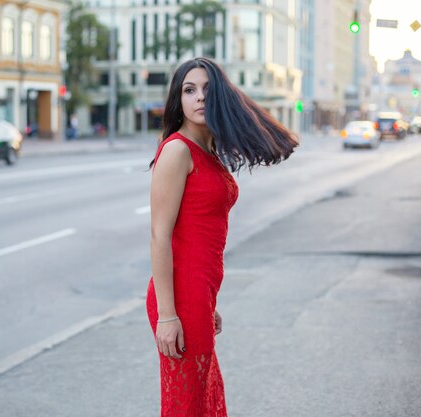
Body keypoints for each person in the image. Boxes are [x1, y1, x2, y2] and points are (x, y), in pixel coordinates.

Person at [146, 57, 298, 416]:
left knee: (202, 399)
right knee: (187, 405)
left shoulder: (208, 152)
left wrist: (206, 303)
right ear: (178, 100)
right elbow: (159, 235)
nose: (199, 98)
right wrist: (169, 315)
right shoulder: (177, 150)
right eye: (189, 90)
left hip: (198, 296)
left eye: (208, 91)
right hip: (179, 299)